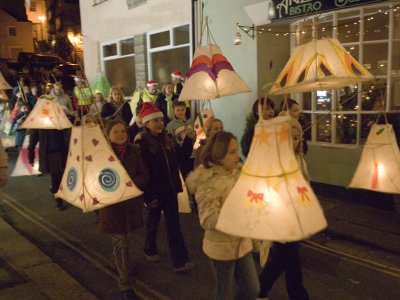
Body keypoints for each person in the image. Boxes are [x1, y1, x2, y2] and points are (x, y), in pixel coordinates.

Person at [186, 131, 259, 300]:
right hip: (222, 247)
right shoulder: (208, 180)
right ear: (219, 155)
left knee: (252, 289)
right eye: (231, 152)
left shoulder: (238, 174)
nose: (237, 156)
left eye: (236, 150)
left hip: (242, 243)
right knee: (224, 292)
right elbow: (208, 219)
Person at [135, 102, 195, 273]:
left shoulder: (167, 140)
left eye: (161, 119)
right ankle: (150, 249)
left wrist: (189, 141)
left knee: (173, 225)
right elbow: (144, 171)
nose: (159, 123)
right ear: (146, 123)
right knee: (153, 222)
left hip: (170, 191)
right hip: (155, 192)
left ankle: (179, 261)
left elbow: (180, 159)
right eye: (155, 120)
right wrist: (148, 196)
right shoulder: (143, 144)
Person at [257, 118, 310, 300]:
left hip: (295, 216)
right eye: (289, 138)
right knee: (292, 260)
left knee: (281, 259)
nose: (293, 143)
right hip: (280, 218)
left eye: (296, 139)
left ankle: (259, 289)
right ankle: (298, 295)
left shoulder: (298, 159)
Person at [98, 119, 149, 300]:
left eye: (123, 131)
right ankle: (125, 283)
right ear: (108, 135)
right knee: (120, 243)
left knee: (126, 240)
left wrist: (130, 183)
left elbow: (145, 175)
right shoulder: (102, 154)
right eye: (115, 132)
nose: (120, 135)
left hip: (131, 204)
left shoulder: (134, 151)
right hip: (112, 206)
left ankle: (124, 266)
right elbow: (97, 179)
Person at [28, 128, 70, 210]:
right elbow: (32, 141)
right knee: (55, 179)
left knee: (63, 178)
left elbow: (67, 137)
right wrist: (31, 157)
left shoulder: (59, 121)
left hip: (62, 155)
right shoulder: (39, 124)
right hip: (49, 156)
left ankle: (57, 192)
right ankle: (59, 201)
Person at [166, 101, 196, 178]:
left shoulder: (192, 122)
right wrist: (179, 138)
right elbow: (170, 141)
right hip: (182, 156)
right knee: (187, 177)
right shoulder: (170, 125)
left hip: (194, 154)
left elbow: (197, 133)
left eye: (182, 109)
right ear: (174, 111)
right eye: (178, 110)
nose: (180, 112)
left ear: (186, 109)